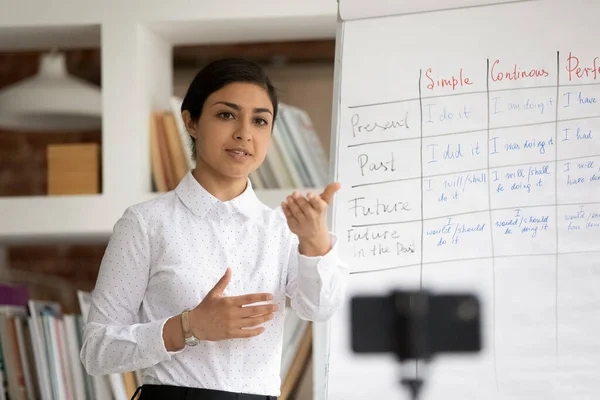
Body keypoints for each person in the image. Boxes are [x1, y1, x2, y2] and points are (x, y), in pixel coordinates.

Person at [79, 58, 349, 400]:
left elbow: (320, 309)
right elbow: (97, 350)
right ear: (190, 122)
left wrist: (314, 241)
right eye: (226, 114)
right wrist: (188, 327)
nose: (244, 133)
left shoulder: (282, 229)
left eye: (260, 121)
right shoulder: (146, 223)